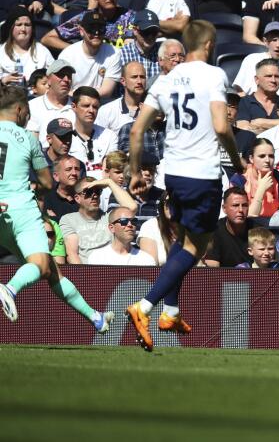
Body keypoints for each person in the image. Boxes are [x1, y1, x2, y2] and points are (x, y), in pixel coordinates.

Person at [124, 20, 244, 353]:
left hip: (171, 175)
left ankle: (171, 312)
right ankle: (144, 307)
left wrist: (135, 172)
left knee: (183, 239)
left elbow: (136, 132)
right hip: (202, 174)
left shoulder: (166, 79)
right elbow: (222, 126)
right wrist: (236, 161)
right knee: (198, 245)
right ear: (208, 45)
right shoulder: (214, 75)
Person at [0, 86, 113, 334]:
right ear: (19, 110)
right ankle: (9, 289)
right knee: (40, 264)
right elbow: (48, 182)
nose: (28, 118)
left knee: (51, 269)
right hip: (21, 210)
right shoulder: (27, 138)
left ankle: (96, 318)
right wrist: (38, 186)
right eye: (27, 113)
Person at [87, 208, 156, 266]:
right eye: (124, 221)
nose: (130, 225)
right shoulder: (97, 258)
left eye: (133, 221)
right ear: (111, 228)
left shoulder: (146, 260)